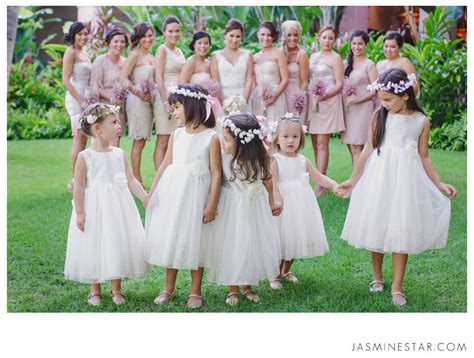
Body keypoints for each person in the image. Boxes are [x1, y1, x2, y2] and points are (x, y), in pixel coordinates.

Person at [337, 68, 457, 306]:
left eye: (388, 99)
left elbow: (424, 157)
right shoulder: (378, 116)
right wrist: (353, 180)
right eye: (380, 99)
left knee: (402, 227)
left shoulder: (421, 121)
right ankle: (377, 276)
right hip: (380, 178)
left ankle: (397, 286)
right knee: (378, 223)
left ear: (405, 95)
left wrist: (439, 182)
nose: (384, 104)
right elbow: (368, 150)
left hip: (405, 182)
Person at [144, 84, 222, 309]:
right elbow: (166, 164)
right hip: (174, 195)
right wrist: (152, 193)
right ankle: (169, 287)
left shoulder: (211, 137)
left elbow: (217, 173)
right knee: (173, 236)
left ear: (191, 105)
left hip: (197, 197)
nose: (173, 112)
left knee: (196, 239)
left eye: (176, 107)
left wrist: (211, 204)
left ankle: (195, 290)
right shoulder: (177, 135)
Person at [64, 103, 149, 306]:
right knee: (95, 244)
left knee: (115, 243)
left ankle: (116, 289)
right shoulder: (85, 157)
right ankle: (95, 290)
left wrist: (145, 197)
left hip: (117, 208)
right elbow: (78, 188)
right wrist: (81, 212)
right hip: (94, 208)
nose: (119, 125)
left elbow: (130, 180)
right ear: (98, 128)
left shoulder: (119, 153)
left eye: (118, 121)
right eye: (114, 122)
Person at [203, 113, 282, 305]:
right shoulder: (223, 157)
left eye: (227, 140)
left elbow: (268, 182)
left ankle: (247, 286)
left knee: (250, 243)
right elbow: (215, 180)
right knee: (232, 244)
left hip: (254, 207)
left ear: (243, 142)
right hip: (231, 207)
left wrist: (272, 202)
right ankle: (232, 289)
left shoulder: (260, 158)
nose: (223, 143)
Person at [269, 113, 338, 288]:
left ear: (301, 138)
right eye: (285, 136)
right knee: (282, 239)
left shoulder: (302, 160)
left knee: (296, 237)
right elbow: (273, 183)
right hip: (283, 204)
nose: (290, 140)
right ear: (277, 138)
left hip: (300, 205)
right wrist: (277, 200)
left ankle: (286, 270)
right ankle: (275, 274)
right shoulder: (275, 160)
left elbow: (318, 177)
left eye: (295, 136)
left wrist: (333, 185)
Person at [307, 25, 345, 196]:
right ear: (318, 38)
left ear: (335, 40)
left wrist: (324, 95)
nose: (327, 41)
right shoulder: (313, 56)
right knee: (315, 142)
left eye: (331, 38)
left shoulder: (335, 58)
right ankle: (320, 177)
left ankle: (321, 185)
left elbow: (339, 83)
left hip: (328, 102)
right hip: (313, 102)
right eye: (324, 37)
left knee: (322, 142)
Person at [120, 22, 155, 185]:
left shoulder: (151, 55)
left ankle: (134, 178)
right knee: (138, 140)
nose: (148, 39)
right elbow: (123, 78)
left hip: (148, 102)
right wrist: (138, 92)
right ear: (139, 38)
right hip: (136, 101)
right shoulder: (134, 54)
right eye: (145, 36)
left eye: (150, 35)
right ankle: (135, 179)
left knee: (141, 140)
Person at [153, 16, 186, 170]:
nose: (174, 34)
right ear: (164, 32)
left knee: (175, 139)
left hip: (179, 100)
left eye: (177, 31)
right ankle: (160, 178)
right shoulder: (162, 49)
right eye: (171, 31)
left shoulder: (179, 51)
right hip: (164, 98)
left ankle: (171, 173)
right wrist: (166, 101)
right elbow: (158, 76)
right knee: (163, 140)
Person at [341, 30, 378, 166]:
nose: (357, 47)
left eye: (360, 44)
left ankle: (356, 183)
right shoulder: (346, 64)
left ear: (366, 45)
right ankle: (358, 177)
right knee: (351, 146)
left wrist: (358, 99)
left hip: (363, 108)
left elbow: (376, 90)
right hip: (348, 110)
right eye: (354, 43)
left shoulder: (369, 65)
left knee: (358, 146)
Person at [62, 21, 91, 192]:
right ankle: (75, 181)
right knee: (79, 138)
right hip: (76, 98)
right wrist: (80, 100)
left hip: (87, 98)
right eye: (80, 34)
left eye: (86, 33)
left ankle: (81, 176)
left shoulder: (85, 52)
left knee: (84, 138)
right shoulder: (70, 52)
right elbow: (66, 80)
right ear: (73, 35)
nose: (83, 37)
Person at [90, 27, 128, 147]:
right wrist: (112, 99)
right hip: (104, 107)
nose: (119, 44)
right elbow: (96, 85)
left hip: (120, 107)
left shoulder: (126, 62)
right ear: (108, 43)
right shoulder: (100, 61)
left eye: (122, 42)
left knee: (116, 140)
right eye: (116, 41)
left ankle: (114, 165)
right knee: (104, 141)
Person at [248, 21, 288, 122]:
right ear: (258, 35)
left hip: (275, 95)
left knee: (274, 126)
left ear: (273, 37)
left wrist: (274, 97)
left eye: (269, 35)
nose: (265, 38)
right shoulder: (254, 57)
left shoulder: (279, 53)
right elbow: (253, 81)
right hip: (258, 97)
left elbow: (285, 79)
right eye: (263, 34)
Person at [210, 18, 253, 112]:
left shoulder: (248, 54)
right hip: (223, 98)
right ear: (225, 35)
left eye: (238, 36)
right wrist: (224, 103)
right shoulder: (215, 56)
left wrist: (243, 102)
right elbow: (216, 82)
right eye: (231, 35)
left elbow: (249, 79)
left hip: (242, 97)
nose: (234, 40)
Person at [281, 20, 310, 123]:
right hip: (281, 97)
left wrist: (299, 99)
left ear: (299, 36)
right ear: (284, 36)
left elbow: (304, 82)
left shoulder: (302, 55)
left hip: (296, 97)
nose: (292, 38)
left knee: (296, 129)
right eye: (289, 35)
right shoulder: (280, 52)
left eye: (295, 35)